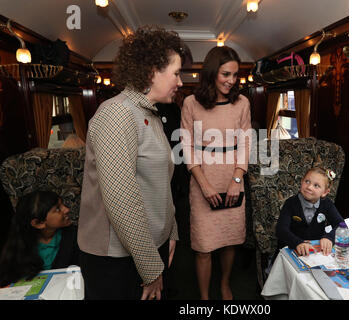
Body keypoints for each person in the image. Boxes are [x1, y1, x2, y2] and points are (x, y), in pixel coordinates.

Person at [77, 25, 189, 300]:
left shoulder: (148, 113)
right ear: (151, 70)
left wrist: (170, 231)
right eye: (176, 73)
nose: (181, 82)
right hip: (118, 258)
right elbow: (121, 201)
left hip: (150, 247)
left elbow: (161, 182)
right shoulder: (117, 114)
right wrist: (151, 268)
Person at [180, 46, 252, 300]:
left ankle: (224, 284)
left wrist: (236, 179)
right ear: (212, 73)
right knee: (203, 246)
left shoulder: (242, 103)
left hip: (233, 178)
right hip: (202, 179)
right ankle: (204, 297)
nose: (231, 81)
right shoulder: (190, 103)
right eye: (225, 74)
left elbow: (245, 143)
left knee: (229, 240)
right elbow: (187, 147)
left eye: (235, 75)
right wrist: (204, 185)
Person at [0, 190, 78, 287]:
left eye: (62, 204)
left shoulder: (74, 237)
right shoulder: (21, 247)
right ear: (39, 223)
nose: (66, 209)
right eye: (58, 209)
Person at [276, 167, 344, 257]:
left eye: (316, 185)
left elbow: (341, 225)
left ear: (324, 192)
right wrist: (297, 243)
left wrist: (329, 238)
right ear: (301, 181)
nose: (309, 187)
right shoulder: (291, 203)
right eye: (307, 181)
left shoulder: (327, 204)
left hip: (315, 252)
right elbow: (281, 230)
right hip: (291, 249)